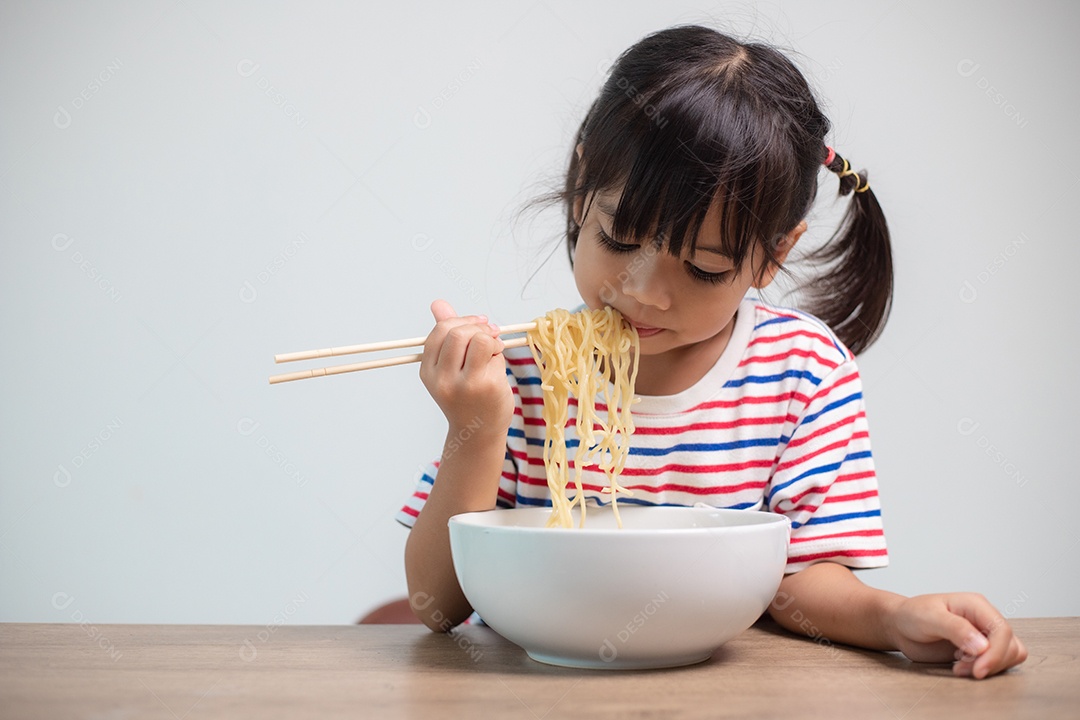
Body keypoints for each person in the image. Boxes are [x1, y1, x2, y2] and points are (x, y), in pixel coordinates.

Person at [399, 24, 1027, 679]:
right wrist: (476, 429)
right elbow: (437, 607)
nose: (643, 293)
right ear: (582, 186)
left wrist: (895, 618)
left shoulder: (802, 375)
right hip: (524, 684)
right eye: (619, 240)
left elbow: (799, 585)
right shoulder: (520, 372)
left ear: (773, 255)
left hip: (723, 691)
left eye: (701, 268)